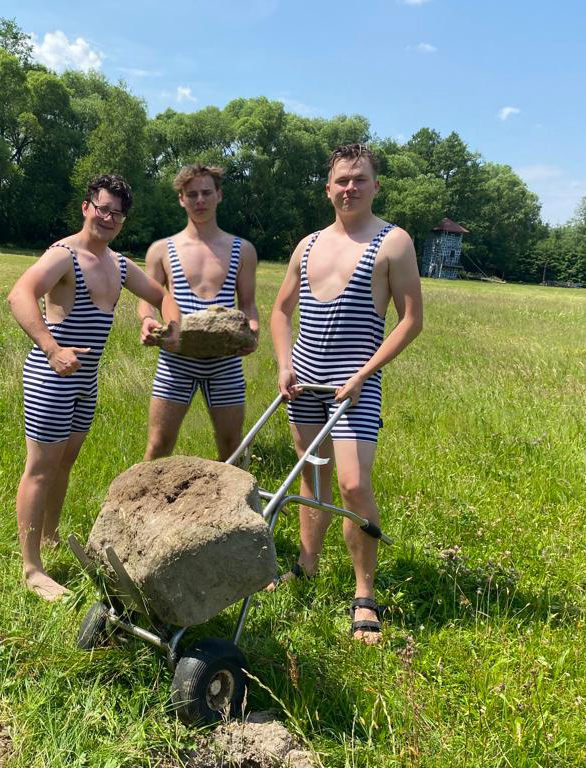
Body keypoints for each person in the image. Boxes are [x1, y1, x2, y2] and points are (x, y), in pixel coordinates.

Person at [268, 144, 423, 643]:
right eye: (341, 180)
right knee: (312, 477)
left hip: (356, 386)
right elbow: (280, 311)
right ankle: (306, 566)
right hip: (304, 382)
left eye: (359, 179)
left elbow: (411, 321)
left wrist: (363, 374)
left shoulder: (393, 242)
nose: (350, 188)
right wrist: (284, 364)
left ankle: (364, 594)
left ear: (375, 186)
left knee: (354, 486)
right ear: (328, 188)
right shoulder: (308, 244)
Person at [8, 174, 181, 601]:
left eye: (117, 214)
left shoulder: (118, 264)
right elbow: (19, 294)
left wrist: (164, 324)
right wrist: (51, 349)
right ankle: (32, 569)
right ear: (86, 207)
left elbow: (162, 295)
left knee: (64, 464)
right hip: (52, 377)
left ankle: (49, 537)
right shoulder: (64, 256)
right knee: (40, 469)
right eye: (102, 208)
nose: (108, 218)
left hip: (86, 381)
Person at [138, 164, 260, 462]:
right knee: (159, 444)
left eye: (206, 192)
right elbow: (148, 300)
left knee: (231, 445)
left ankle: (234, 494)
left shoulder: (242, 249)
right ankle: (144, 494)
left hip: (225, 362)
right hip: (176, 359)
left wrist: (253, 331)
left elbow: (247, 303)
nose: (200, 200)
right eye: (192, 194)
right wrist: (147, 320)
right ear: (181, 199)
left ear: (219, 195)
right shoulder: (161, 250)